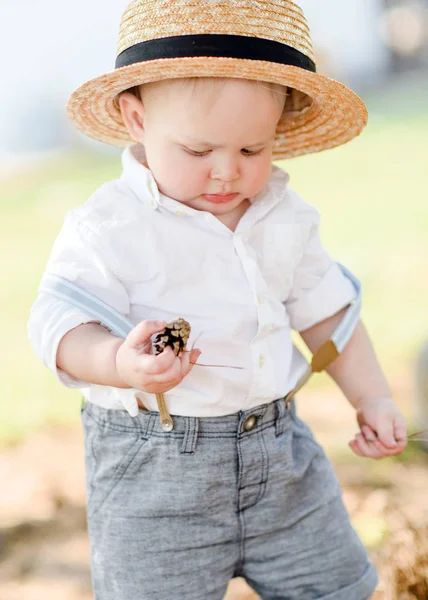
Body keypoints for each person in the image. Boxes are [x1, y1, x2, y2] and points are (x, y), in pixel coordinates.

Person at [28, 1, 408, 598]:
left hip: (280, 457)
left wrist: (373, 396)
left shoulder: (284, 216)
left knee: (335, 589)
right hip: (153, 472)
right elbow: (57, 321)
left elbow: (328, 311)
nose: (227, 173)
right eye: (200, 152)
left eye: (253, 151)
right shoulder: (108, 226)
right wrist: (117, 363)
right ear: (135, 119)